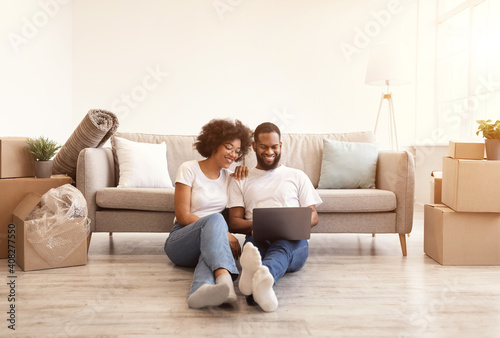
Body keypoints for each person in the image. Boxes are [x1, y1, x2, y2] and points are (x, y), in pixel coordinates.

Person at [227, 122, 322, 312]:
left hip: (293, 240)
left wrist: (293, 225)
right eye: (263, 146)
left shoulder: (297, 176)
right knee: (253, 250)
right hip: (256, 237)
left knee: (283, 247)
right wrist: (260, 225)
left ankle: (260, 275)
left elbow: (314, 216)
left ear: (281, 146)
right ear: (254, 146)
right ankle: (261, 286)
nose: (269, 151)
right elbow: (234, 222)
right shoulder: (241, 178)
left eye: (274, 146)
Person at [164, 118, 252, 309]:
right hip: (181, 240)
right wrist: (224, 233)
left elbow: (254, 187)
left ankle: (200, 290)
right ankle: (226, 282)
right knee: (217, 219)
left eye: (237, 151)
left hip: (210, 243)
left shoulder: (230, 178)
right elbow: (183, 216)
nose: (233, 155)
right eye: (229, 147)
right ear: (214, 143)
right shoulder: (189, 168)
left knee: (211, 247)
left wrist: (245, 172)